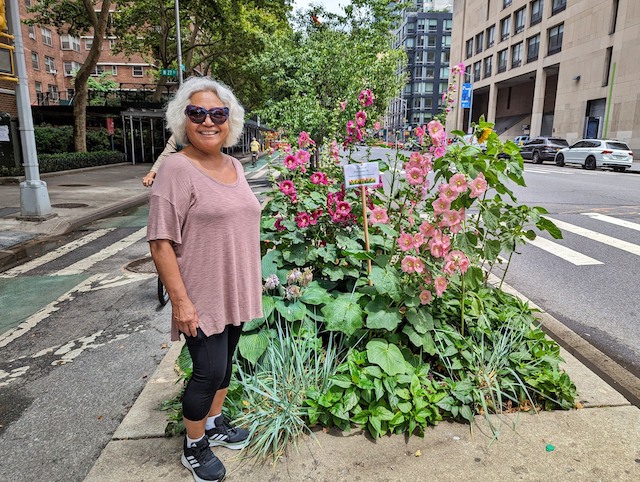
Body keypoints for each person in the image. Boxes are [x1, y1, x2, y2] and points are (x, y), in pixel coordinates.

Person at [147, 77, 263, 482]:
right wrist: (181, 302)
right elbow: (160, 242)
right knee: (207, 372)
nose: (208, 121)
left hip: (235, 289)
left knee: (226, 365)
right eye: (197, 113)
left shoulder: (233, 164)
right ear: (184, 120)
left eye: (218, 113)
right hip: (201, 294)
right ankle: (193, 445)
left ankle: (213, 423)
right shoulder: (177, 169)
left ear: (230, 121)